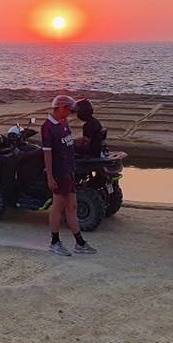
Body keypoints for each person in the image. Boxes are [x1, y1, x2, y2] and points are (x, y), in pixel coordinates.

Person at [42, 94, 96, 256]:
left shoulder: (63, 123)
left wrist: (77, 142)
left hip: (69, 170)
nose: (69, 114)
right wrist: (50, 177)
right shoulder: (48, 127)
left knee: (72, 206)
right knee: (58, 206)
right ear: (60, 108)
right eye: (68, 110)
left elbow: (67, 142)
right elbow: (47, 154)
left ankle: (79, 243)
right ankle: (55, 242)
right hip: (59, 171)